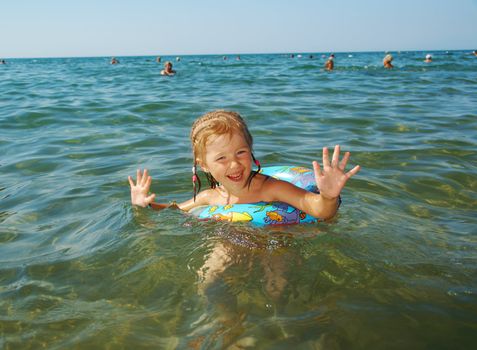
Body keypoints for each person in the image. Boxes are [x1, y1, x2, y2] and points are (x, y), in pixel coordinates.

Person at [128, 110, 360, 221]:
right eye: (221, 158)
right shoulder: (209, 197)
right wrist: (145, 205)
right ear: (204, 166)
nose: (235, 164)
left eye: (241, 152)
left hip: (275, 240)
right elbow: (176, 210)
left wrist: (328, 196)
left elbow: (319, 211)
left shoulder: (271, 188)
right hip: (232, 239)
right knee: (213, 271)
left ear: (251, 152)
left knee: (276, 280)